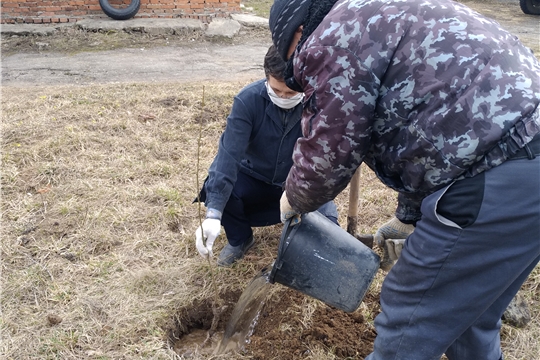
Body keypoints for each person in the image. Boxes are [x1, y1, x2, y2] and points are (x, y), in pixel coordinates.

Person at [269, 0, 540, 359]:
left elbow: (331, 147)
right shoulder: (382, 13)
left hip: (501, 170)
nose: (292, 67)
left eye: (287, 52)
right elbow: (435, 120)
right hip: (522, 157)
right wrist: (407, 216)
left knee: (410, 313)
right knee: (471, 313)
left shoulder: (330, 38)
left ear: (299, 32)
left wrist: (294, 198)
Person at [194, 45, 339, 267]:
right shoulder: (247, 101)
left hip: (296, 181)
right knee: (221, 188)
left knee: (327, 232)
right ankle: (240, 239)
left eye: (291, 93)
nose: (283, 97)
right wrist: (213, 214)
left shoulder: (319, 103)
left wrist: (328, 220)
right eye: (276, 90)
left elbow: (323, 163)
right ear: (266, 79)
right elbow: (228, 157)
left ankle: (316, 239)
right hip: (254, 178)